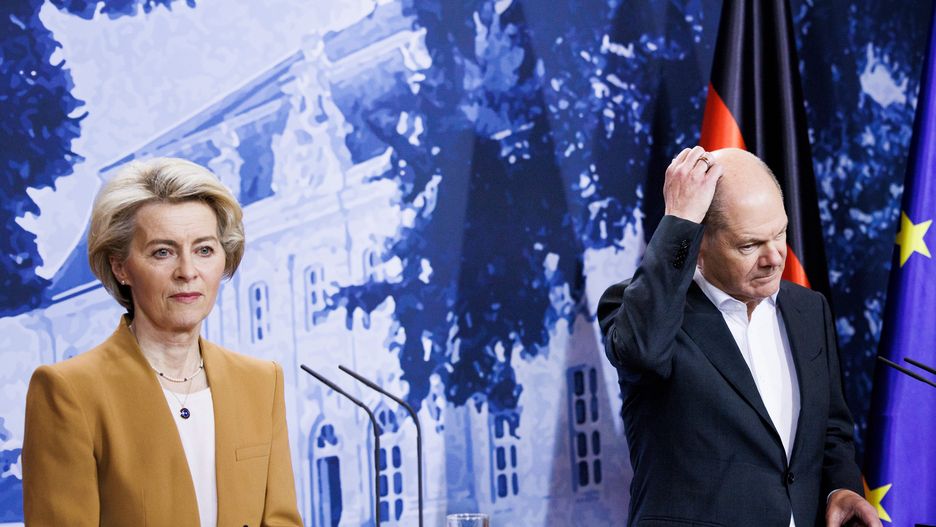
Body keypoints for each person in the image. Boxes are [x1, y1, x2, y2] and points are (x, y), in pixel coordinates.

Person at [597, 147, 880, 527]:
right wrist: (679, 221)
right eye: (750, 245)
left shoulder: (809, 309)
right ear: (699, 244)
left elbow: (830, 431)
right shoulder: (644, 311)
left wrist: (840, 488)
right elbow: (642, 352)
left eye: (779, 233)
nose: (774, 257)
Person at [22, 158, 302, 526]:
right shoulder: (68, 392)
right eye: (163, 252)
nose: (188, 272)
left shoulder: (262, 382)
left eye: (204, 250)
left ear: (225, 258)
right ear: (121, 267)